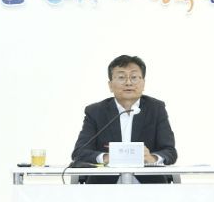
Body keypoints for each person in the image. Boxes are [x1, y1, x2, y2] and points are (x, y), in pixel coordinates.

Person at [71, 55, 177, 183]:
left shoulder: (156, 108)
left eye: (134, 77)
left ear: (143, 83)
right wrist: (106, 158)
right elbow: (79, 152)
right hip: (104, 186)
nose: (128, 83)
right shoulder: (95, 111)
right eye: (121, 77)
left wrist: (152, 158)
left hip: (149, 186)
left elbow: (170, 152)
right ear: (110, 85)